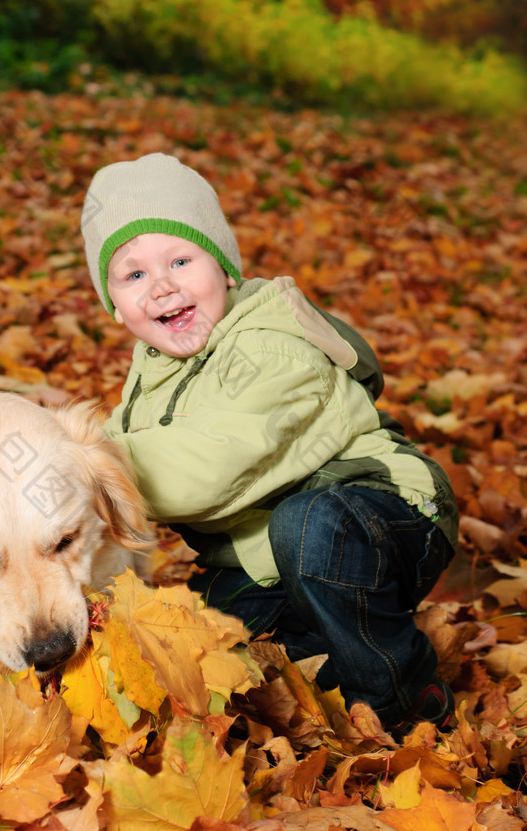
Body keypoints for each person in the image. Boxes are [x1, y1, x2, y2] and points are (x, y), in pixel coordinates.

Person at [81, 152, 458, 738]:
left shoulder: (272, 347)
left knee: (312, 526)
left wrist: (84, 465)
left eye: (181, 259)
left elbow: (206, 465)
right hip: (272, 558)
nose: (161, 286)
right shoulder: (151, 376)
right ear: (115, 307)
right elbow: (113, 446)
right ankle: (326, 661)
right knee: (206, 639)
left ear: (226, 267)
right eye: (133, 276)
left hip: (388, 514)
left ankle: (402, 697)